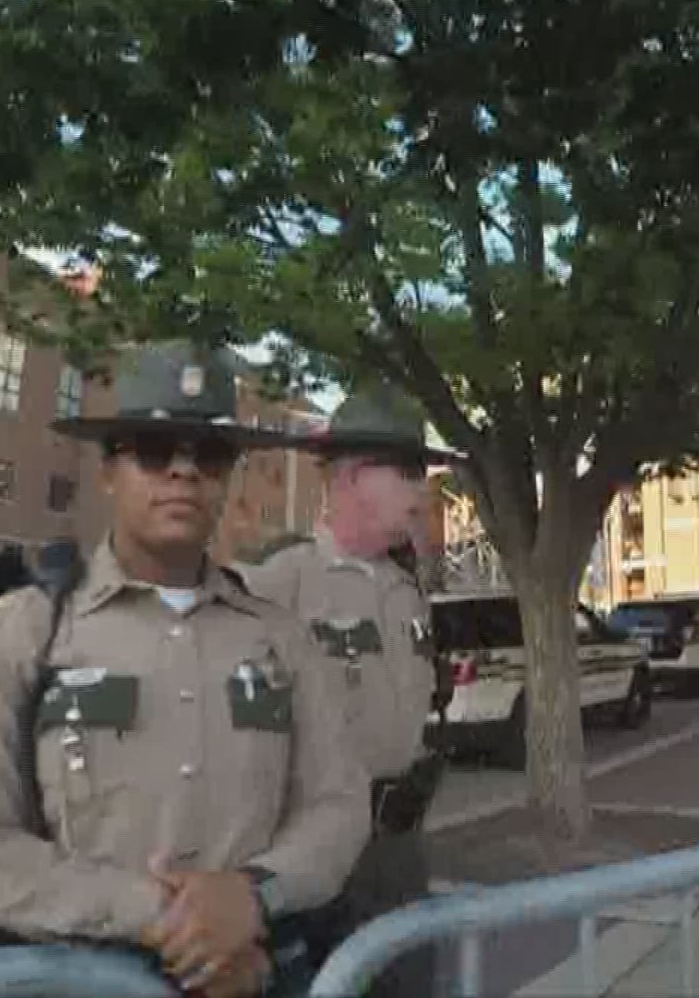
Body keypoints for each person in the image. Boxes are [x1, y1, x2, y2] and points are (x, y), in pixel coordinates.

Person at [0, 341, 371, 998]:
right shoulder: (21, 634)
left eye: (209, 455)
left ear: (228, 477)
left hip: (251, 978)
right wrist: (165, 918)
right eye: (155, 450)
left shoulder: (283, 640)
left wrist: (251, 898)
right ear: (110, 470)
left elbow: (335, 806)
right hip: (77, 981)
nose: (183, 473)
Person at [237, 383, 450, 998]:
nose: (421, 490)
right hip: (313, 853)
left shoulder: (406, 588)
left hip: (397, 849)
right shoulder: (279, 577)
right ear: (354, 476)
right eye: (409, 472)